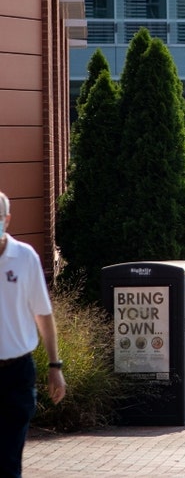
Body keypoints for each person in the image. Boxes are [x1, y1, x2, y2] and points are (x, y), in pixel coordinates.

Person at [0, 191, 67, 477]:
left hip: (17, 373)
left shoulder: (25, 258)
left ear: (7, 219)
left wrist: (55, 366)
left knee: (9, 459)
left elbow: (43, 313)